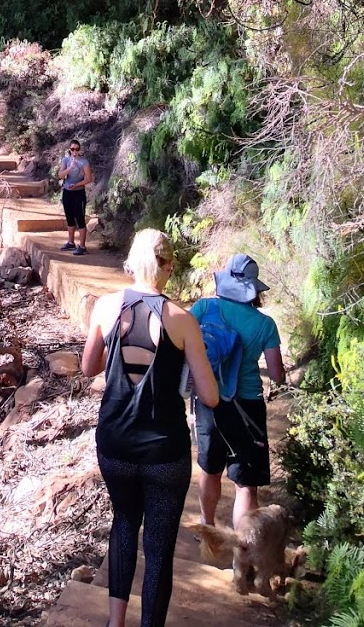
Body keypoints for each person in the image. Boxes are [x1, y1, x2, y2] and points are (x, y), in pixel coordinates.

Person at [82, 229, 219, 627]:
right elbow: (209, 396)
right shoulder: (182, 320)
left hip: (115, 444)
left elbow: (89, 367)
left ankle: (114, 622)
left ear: (131, 262)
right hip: (164, 452)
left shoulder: (107, 307)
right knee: (158, 548)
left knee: (124, 522)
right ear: (169, 266)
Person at [190, 253, 286, 528]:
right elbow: (277, 374)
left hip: (209, 399)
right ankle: (240, 553)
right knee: (246, 484)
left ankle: (207, 528)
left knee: (210, 470)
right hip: (248, 406)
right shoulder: (265, 324)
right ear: (253, 288)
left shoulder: (203, 308)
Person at [57, 138, 92, 254]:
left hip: (79, 193)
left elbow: (88, 178)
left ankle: (82, 246)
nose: (75, 151)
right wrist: (70, 168)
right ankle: (71, 242)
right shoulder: (66, 160)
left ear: (80, 150)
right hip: (67, 192)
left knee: (80, 218)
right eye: (72, 149)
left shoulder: (84, 162)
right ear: (69, 150)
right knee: (69, 217)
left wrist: (77, 184)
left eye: (77, 149)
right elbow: (61, 175)